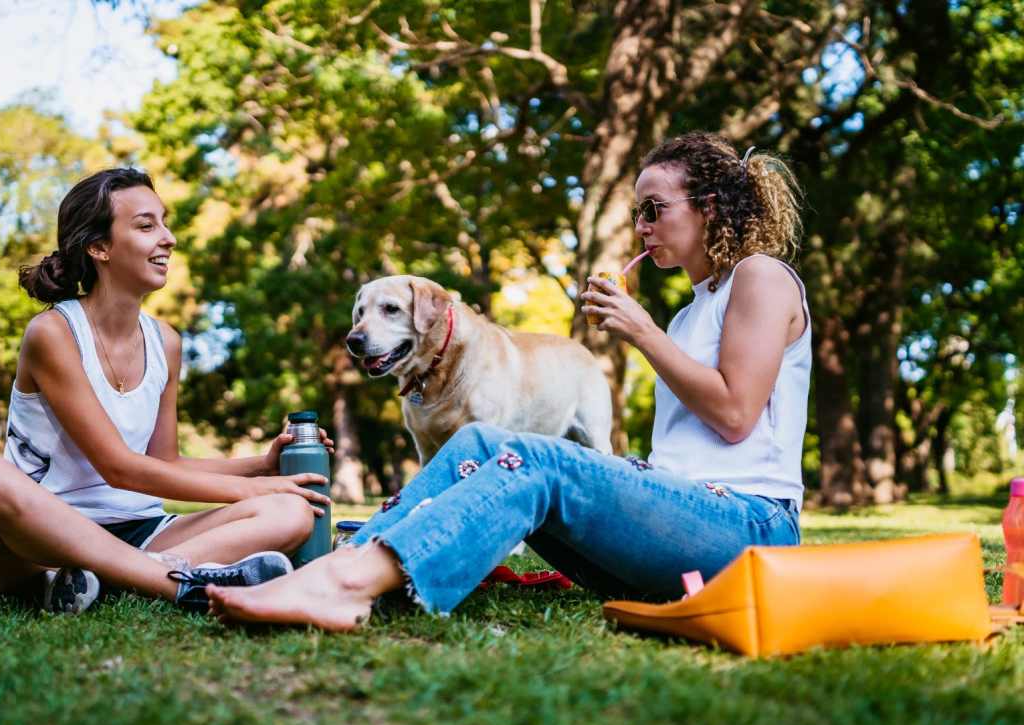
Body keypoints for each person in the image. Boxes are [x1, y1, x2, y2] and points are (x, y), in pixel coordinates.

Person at [206, 132, 810, 631]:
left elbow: (735, 415)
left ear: (709, 205)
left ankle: (345, 585)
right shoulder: (690, 312)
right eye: (636, 213)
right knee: (476, 443)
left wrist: (642, 333)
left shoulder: (759, 276)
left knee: (538, 459)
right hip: (679, 534)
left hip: (749, 529)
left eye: (655, 209)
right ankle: (335, 568)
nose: (642, 227)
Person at [0, 167, 331, 614]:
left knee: (289, 514)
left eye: (164, 221)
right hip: (41, 540)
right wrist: (250, 492)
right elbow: (118, 467)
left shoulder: (166, 342)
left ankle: (106, 582)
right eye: (145, 225)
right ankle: (177, 584)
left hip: (142, 529)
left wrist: (260, 468)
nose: (168, 237)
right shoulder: (54, 333)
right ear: (99, 247)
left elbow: (164, 462)